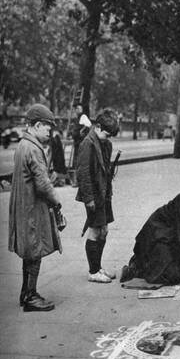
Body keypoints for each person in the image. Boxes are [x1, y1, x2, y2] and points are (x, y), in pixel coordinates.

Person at [8, 104, 64, 312]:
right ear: (37, 125)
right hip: (32, 209)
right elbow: (43, 184)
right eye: (47, 129)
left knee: (30, 252)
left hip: (24, 207)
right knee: (35, 251)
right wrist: (57, 202)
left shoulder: (23, 145)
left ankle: (26, 292)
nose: (49, 133)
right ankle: (30, 296)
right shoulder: (33, 148)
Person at [76, 108, 119, 283]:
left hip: (104, 194)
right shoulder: (87, 144)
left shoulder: (104, 144)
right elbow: (83, 174)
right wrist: (89, 199)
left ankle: (98, 267)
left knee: (104, 230)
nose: (108, 138)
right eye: (107, 134)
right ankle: (93, 272)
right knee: (95, 231)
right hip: (94, 196)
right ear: (98, 127)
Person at [70, 102, 92, 185]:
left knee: (79, 161)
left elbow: (89, 124)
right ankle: (77, 180)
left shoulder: (83, 116)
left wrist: (81, 131)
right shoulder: (78, 118)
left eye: (79, 108)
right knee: (77, 160)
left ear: (81, 109)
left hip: (80, 142)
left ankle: (78, 181)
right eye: (76, 109)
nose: (77, 110)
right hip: (77, 142)